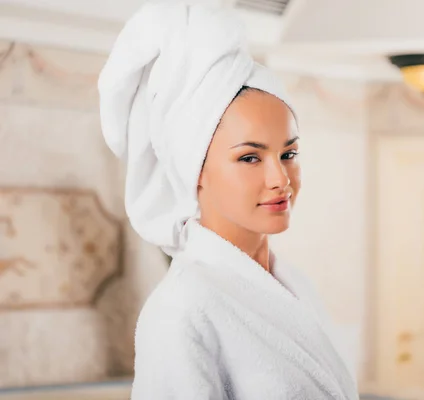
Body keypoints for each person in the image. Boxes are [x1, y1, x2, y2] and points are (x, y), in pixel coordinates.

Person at [97, 2, 358, 399]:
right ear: (194, 168)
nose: (280, 179)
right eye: (250, 157)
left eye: (288, 153)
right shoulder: (181, 310)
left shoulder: (295, 285)